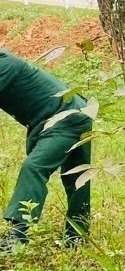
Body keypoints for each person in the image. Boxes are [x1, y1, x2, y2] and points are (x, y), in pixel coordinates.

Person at [1, 48, 92, 248]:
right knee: (77, 180)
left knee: (33, 168)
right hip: (73, 112)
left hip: (66, 117)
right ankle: (77, 236)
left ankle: (18, 235)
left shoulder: (4, 65)